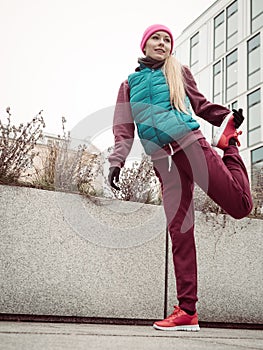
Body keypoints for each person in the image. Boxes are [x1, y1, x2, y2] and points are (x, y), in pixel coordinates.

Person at [108, 24, 253, 331]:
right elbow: (123, 128)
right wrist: (116, 161)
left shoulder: (177, 71)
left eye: (167, 39)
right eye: (156, 38)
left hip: (190, 145)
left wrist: (226, 118)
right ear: (144, 44)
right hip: (163, 161)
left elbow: (200, 105)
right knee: (179, 231)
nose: (162, 43)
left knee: (240, 207)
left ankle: (229, 148)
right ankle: (187, 311)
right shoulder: (129, 84)